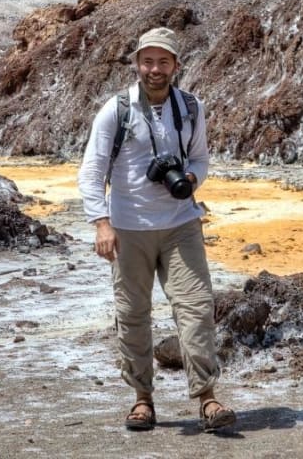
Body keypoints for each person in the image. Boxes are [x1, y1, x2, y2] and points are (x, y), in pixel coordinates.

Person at [78, 27, 236, 433]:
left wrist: (189, 179)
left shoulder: (191, 108)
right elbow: (93, 171)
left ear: (175, 66)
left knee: (197, 309)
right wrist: (101, 223)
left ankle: (207, 398)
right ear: (137, 64)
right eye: (148, 61)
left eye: (163, 61)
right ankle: (142, 400)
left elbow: (200, 159)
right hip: (129, 228)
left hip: (182, 222)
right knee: (133, 314)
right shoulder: (116, 110)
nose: (155, 69)